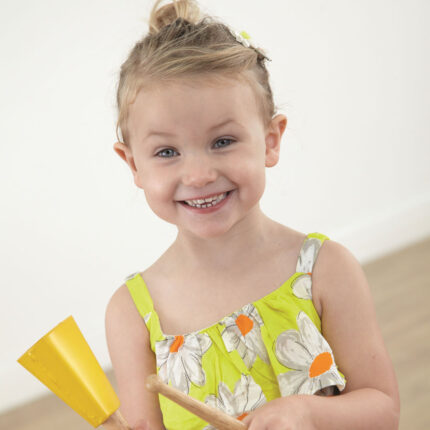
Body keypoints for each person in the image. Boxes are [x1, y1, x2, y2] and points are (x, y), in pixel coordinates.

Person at [105, 1, 400, 428]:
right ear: (133, 164)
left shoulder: (325, 269)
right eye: (167, 152)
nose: (199, 175)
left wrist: (306, 412)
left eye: (222, 142)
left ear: (270, 140)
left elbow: (384, 412)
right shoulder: (131, 315)